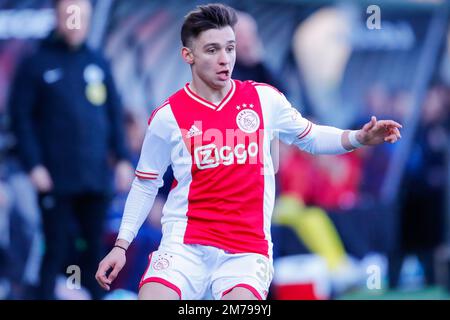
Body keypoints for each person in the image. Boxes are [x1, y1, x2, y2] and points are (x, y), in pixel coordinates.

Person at [96, 3, 402, 300]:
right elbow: (146, 182)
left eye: (229, 48)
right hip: (183, 246)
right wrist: (121, 246)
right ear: (187, 55)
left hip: (245, 249)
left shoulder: (264, 99)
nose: (224, 59)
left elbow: (310, 137)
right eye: (212, 50)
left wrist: (360, 137)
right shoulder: (168, 116)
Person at [9, 0, 133, 299]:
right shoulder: (36, 63)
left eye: (83, 17)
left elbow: (114, 115)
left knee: (93, 253)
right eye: (70, 16)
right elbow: (21, 120)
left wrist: (123, 160)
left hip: (95, 179)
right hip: (55, 180)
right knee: (56, 251)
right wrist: (34, 165)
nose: (76, 23)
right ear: (58, 17)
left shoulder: (98, 61)